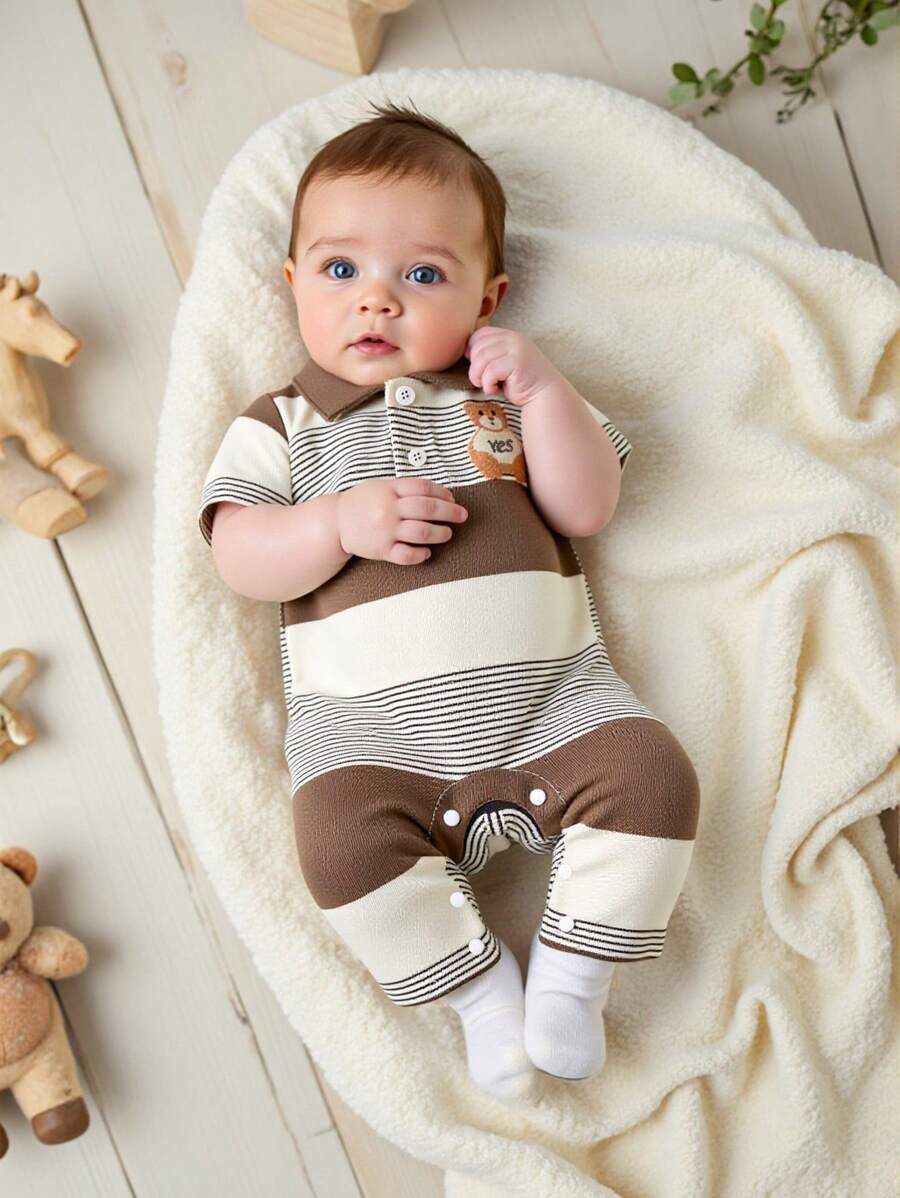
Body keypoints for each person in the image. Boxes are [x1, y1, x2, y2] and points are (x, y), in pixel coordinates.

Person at [198, 99, 700, 1102]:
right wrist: (334, 525)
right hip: (371, 741)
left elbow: (585, 507)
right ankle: (479, 995)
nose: (377, 302)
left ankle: (574, 972)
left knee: (654, 778)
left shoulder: (499, 400)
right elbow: (238, 555)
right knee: (338, 851)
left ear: (488, 297)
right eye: (341, 270)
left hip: (555, 708)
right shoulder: (282, 425)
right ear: (291, 283)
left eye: (423, 276)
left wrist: (546, 395)